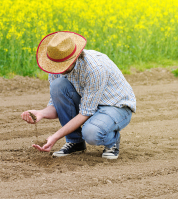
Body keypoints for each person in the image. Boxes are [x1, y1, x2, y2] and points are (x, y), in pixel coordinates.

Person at [21, 31, 136, 159]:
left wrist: (55, 136)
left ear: (74, 58)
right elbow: (56, 106)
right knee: (58, 85)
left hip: (115, 106)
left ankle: (111, 140)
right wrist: (40, 113)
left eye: (62, 65)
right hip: (89, 103)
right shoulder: (55, 66)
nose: (57, 69)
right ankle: (75, 143)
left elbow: (86, 112)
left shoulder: (95, 69)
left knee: (91, 133)